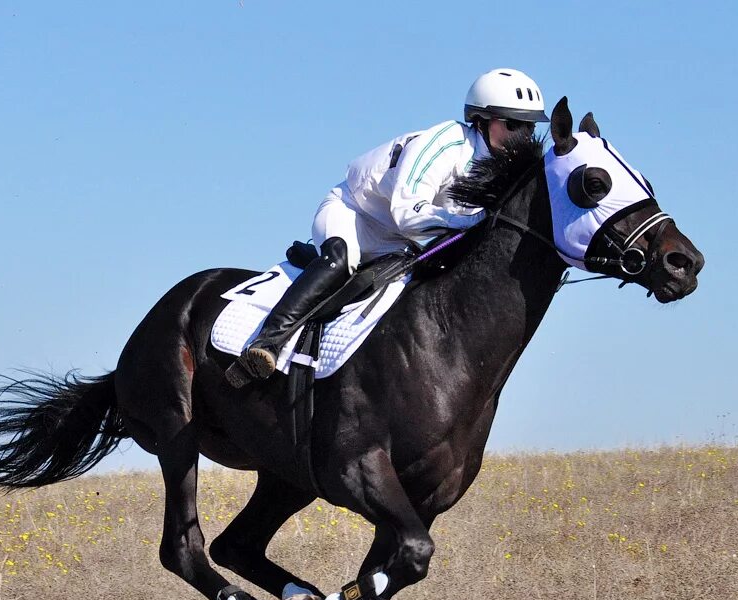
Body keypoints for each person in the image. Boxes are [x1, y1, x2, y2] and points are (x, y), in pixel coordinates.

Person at [227, 68, 550, 386]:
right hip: (356, 215)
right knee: (340, 259)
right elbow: (408, 213)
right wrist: (472, 222)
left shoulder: (502, 169)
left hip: (402, 239)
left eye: (529, 126)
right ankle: (267, 342)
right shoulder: (446, 144)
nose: (523, 135)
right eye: (513, 124)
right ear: (481, 119)